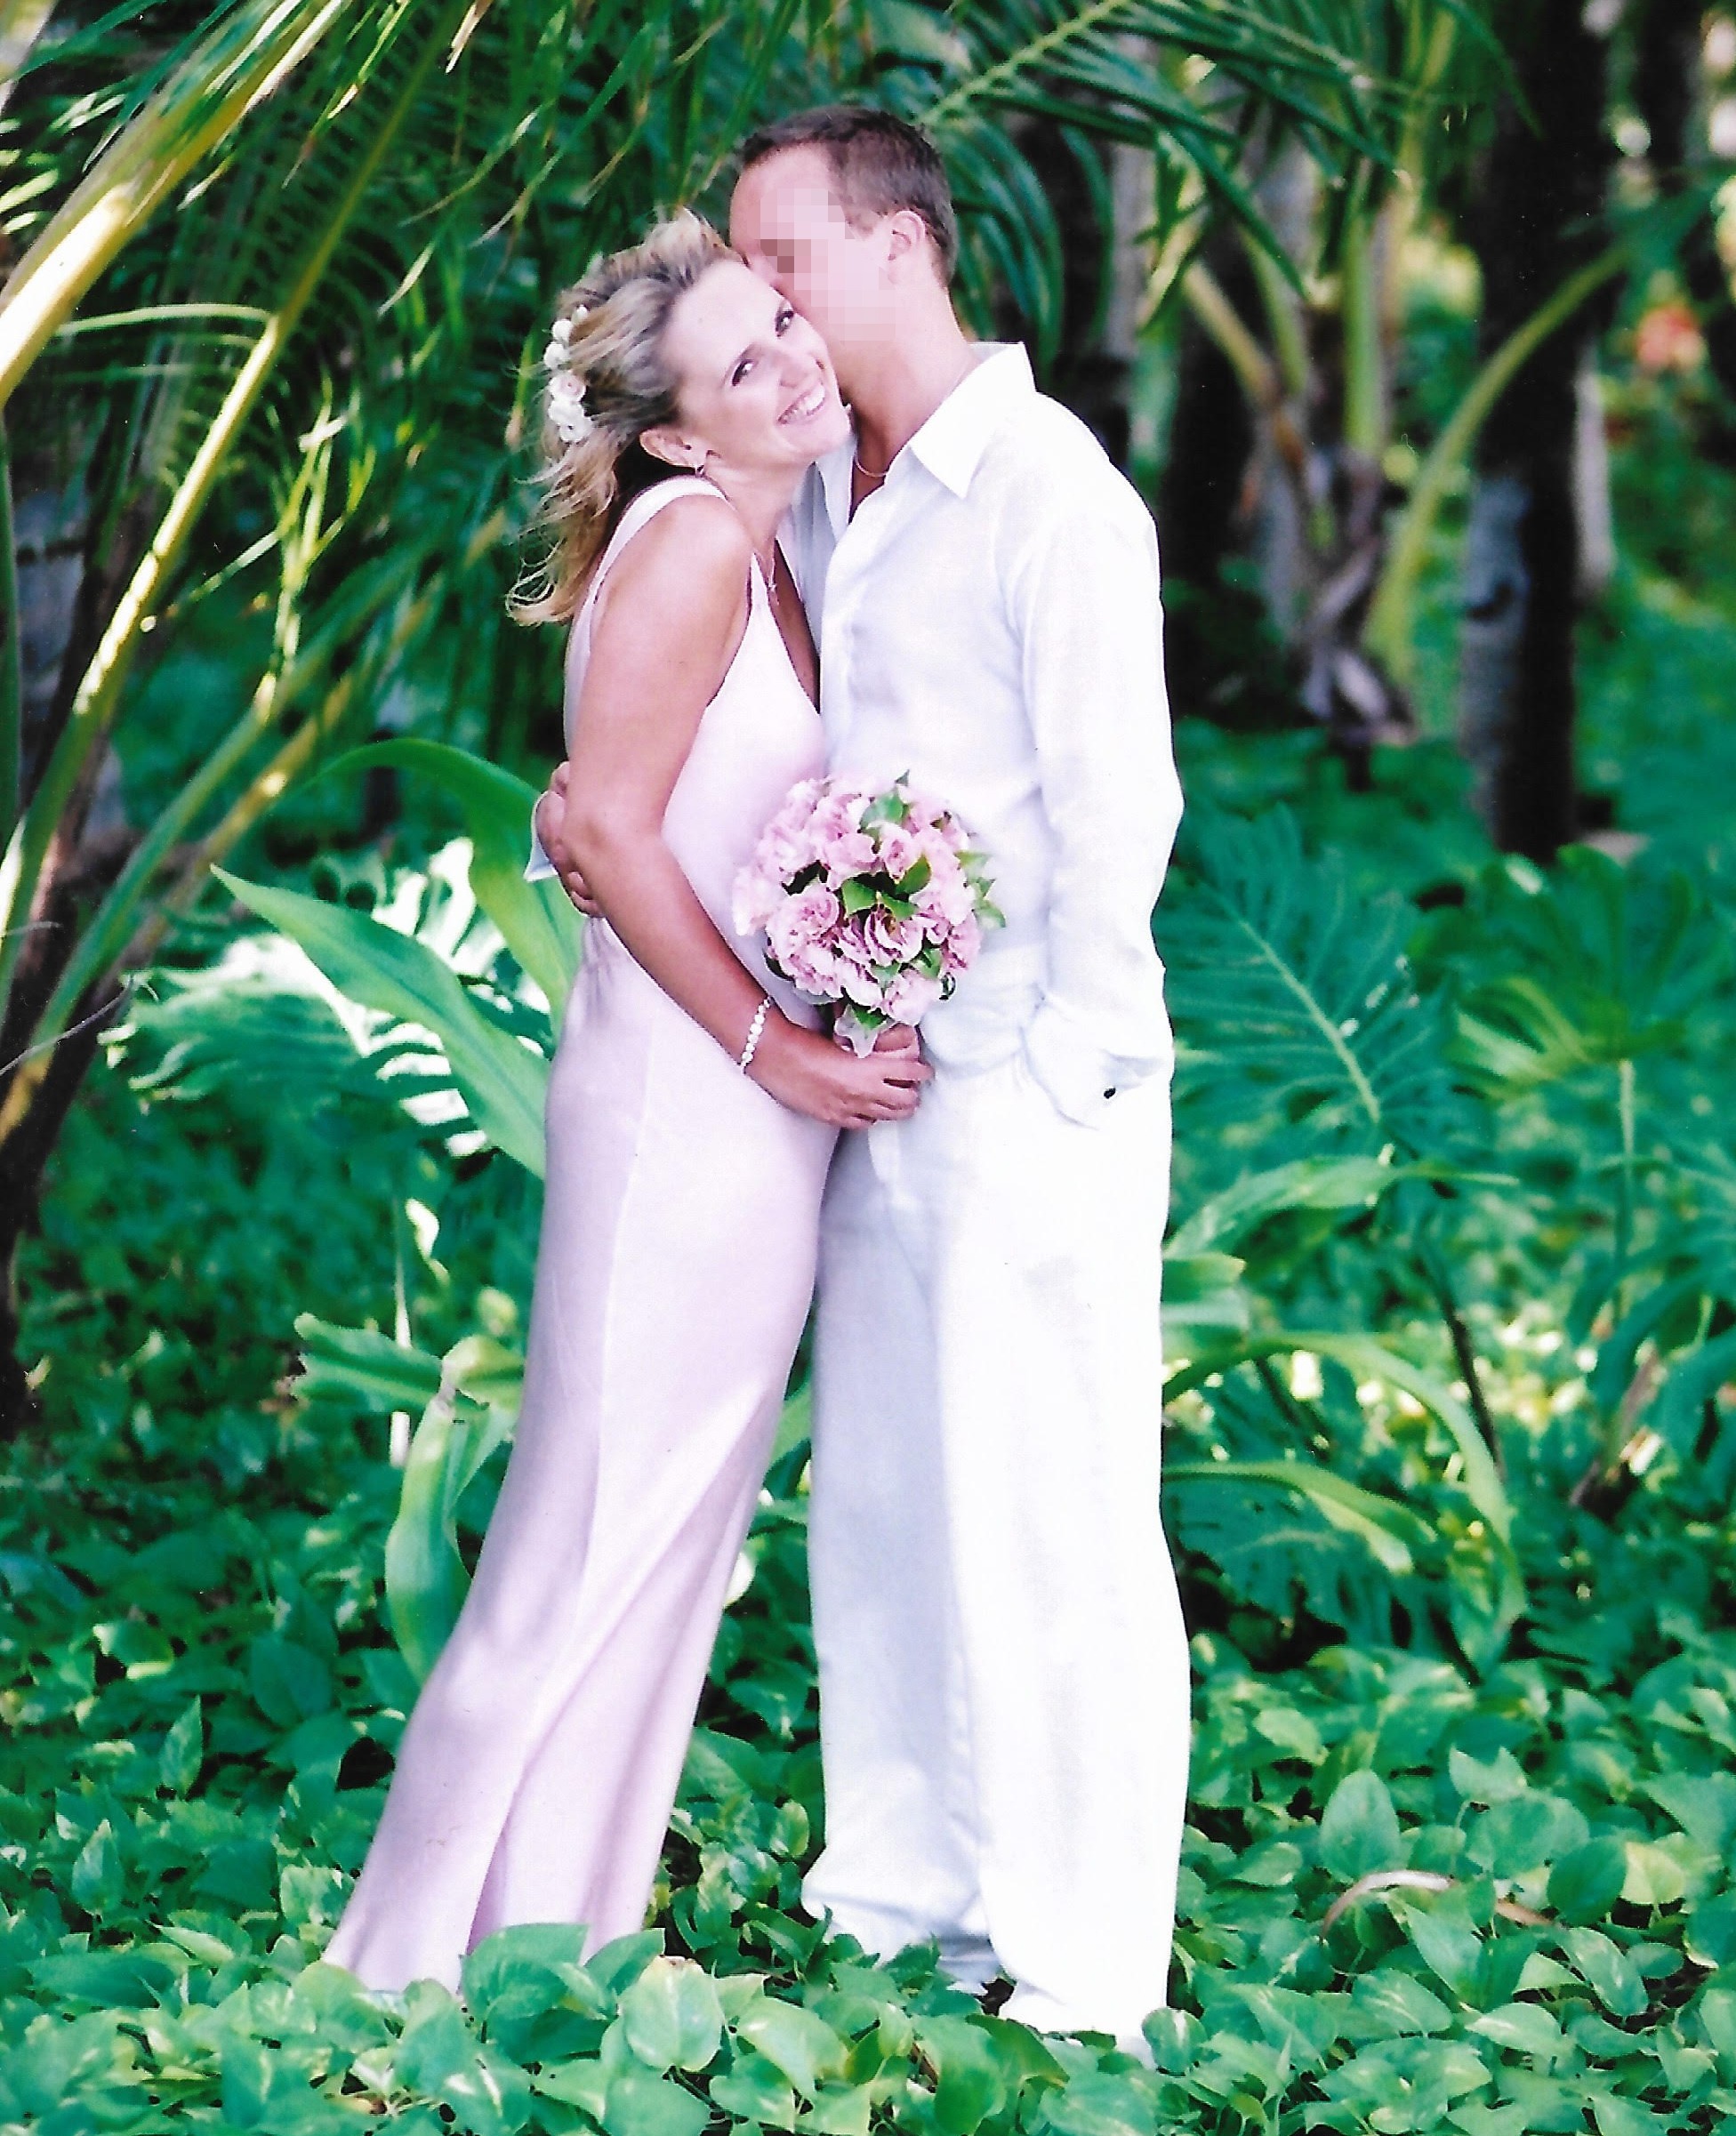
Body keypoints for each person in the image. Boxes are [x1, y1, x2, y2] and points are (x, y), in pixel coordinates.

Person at [544, 109, 1191, 2052]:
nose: (770, 308)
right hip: (871, 1085)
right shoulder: (827, 485)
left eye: (785, 262)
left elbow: (1115, 807)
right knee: (895, 1505)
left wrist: (1068, 1068)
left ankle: (1080, 1967)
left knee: (1053, 1517)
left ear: (897, 245)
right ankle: (912, 1896)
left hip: (1029, 1089)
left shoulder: (1046, 491)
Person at [325, 212, 931, 1992]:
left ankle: (547, 1945)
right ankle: (395, 1967)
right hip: (687, 1107)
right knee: (581, 1531)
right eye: (743, 364)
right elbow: (598, 826)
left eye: (786, 328)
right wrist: (788, 1048)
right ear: (670, 430)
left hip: (743, 1116)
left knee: (672, 1530)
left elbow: (618, 807)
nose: (795, 364)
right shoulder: (688, 550)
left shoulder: (775, 536)